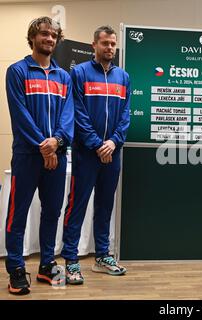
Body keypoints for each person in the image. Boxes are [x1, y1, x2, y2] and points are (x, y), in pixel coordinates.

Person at [5, 16, 74, 295]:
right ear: (32, 37)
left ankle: (47, 264)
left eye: (54, 35)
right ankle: (16, 269)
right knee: (17, 213)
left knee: (52, 213)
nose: (49, 39)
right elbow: (19, 115)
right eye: (44, 34)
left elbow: (67, 117)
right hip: (27, 155)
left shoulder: (64, 77)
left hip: (57, 155)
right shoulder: (17, 71)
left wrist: (56, 142)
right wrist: (44, 146)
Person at [61, 25, 131, 285]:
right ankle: (70, 259)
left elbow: (125, 115)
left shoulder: (123, 77)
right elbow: (76, 112)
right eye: (105, 43)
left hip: (112, 154)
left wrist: (112, 142)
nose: (110, 48)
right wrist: (96, 144)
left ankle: (102, 256)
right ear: (94, 45)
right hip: (86, 154)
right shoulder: (78, 73)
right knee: (77, 206)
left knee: (105, 206)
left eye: (113, 44)